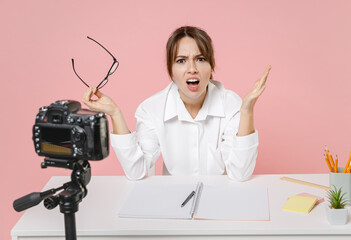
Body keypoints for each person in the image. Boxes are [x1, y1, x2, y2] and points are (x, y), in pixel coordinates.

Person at [82, 26, 271, 181]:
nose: (192, 69)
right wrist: (115, 113)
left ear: (211, 66)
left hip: (219, 201)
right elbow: (136, 171)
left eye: (200, 59)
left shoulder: (230, 103)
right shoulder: (152, 109)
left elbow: (240, 174)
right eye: (181, 61)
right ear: (171, 70)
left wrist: (247, 111)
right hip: (173, 204)